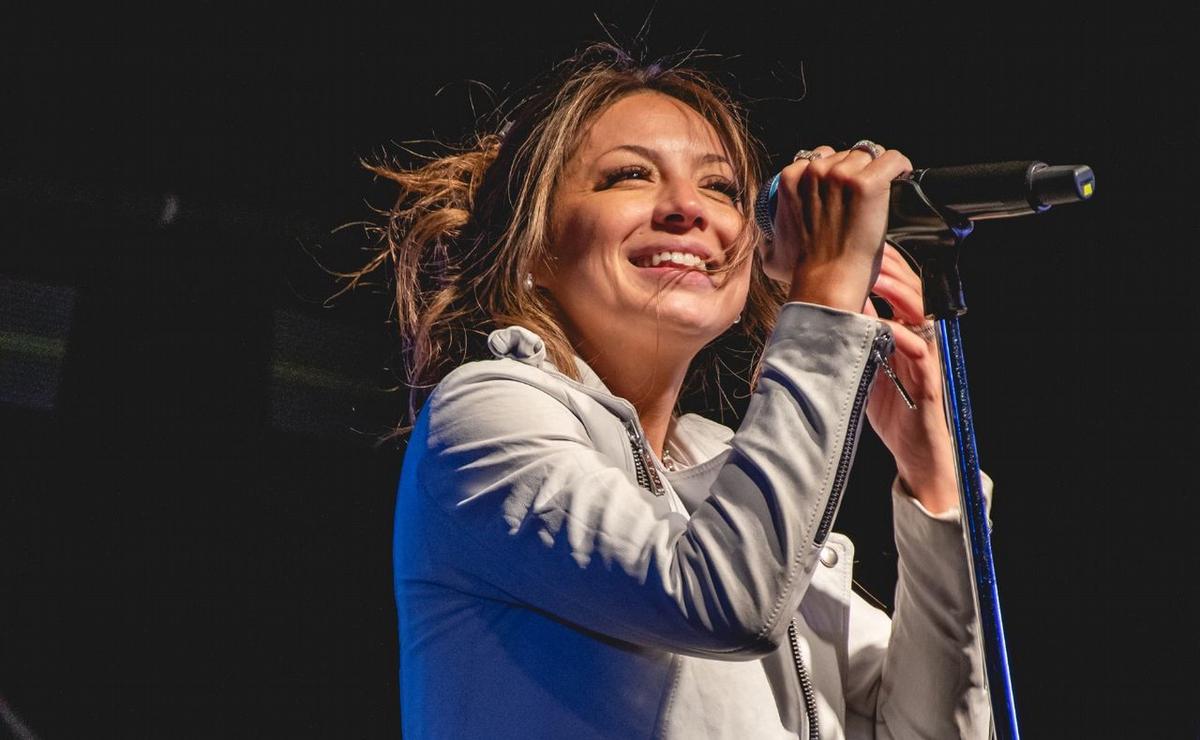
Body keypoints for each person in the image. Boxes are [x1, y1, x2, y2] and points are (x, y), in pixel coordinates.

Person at [359, 43, 990, 738]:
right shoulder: (484, 413)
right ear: (531, 246)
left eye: (721, 188)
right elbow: (722, 600)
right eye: (629, 175)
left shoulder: (723, 461)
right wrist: (825, 303)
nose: (689, 208)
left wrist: (934, 478)